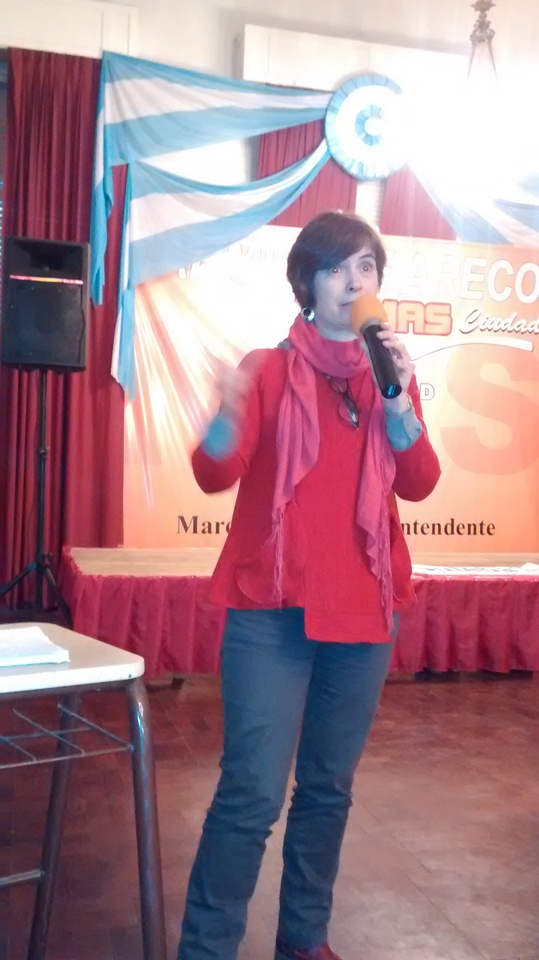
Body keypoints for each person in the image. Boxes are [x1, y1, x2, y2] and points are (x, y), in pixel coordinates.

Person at [177, 210, 441, 960]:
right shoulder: (267, 369)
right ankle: (206, 948)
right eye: (335, 268)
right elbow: (213, 474)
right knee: (250, 795)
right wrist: (227, 414)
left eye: (366, 268)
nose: (353, 282)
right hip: (271, 615)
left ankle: (303, 939)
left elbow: (419, 484)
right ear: (307, 283)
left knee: (327, 792)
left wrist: (399, 405)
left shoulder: (390, 378)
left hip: (364, 615)